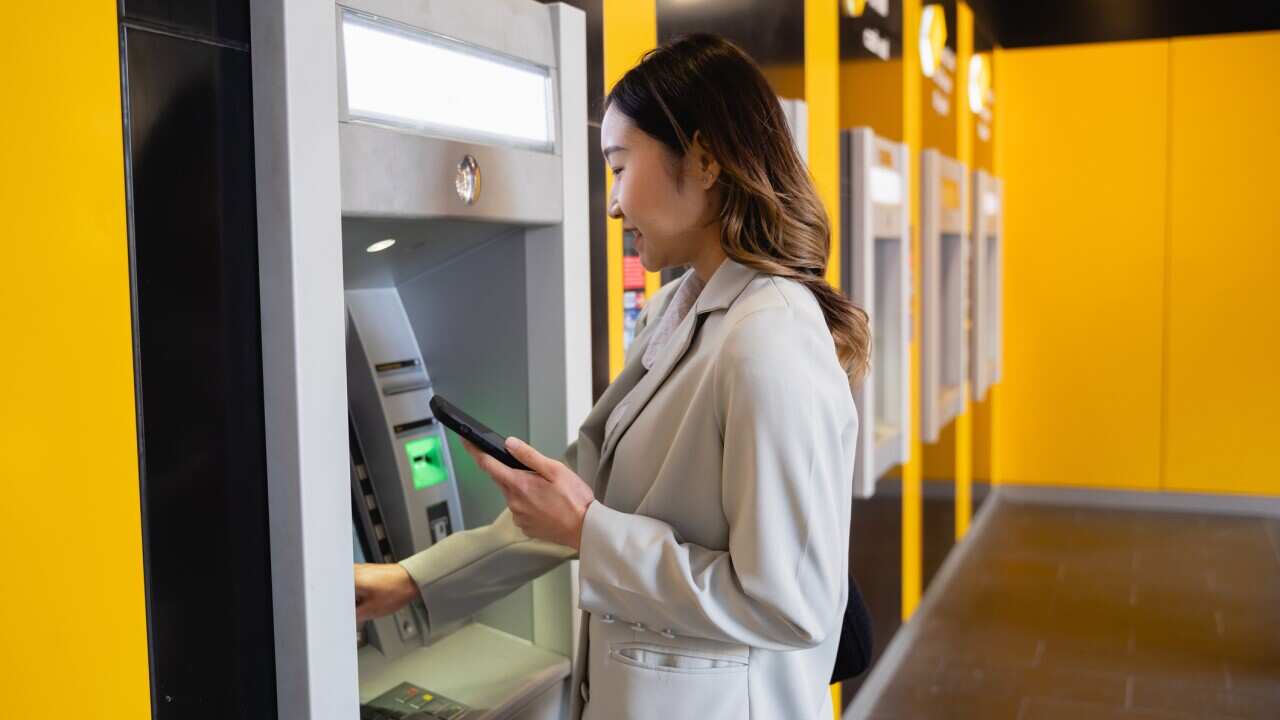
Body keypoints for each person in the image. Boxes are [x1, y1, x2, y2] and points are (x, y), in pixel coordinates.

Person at [354, 33, 870, 720]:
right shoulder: (676, 313)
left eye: (620, 167)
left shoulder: (769, 339)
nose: (613, 203)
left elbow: (790, 603)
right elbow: (579, 493)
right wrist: (413, 581)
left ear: (704, 160)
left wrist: (589, 531)